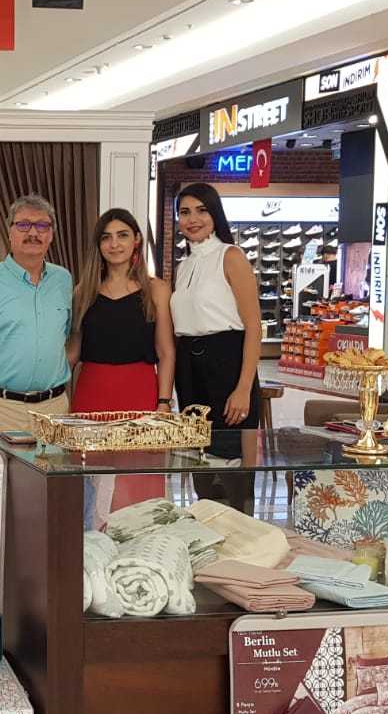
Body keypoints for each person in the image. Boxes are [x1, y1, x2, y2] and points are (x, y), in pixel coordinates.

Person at [170, 183, 263, 511]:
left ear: (215, 214)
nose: (192, 219)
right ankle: (206, 536)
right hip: (190, 372)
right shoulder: (183, 266)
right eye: (184, 212)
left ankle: (240, 539)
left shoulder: (231, 256)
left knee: (232, 474)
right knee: (202, 472)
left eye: (201, 210)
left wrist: (243, 387)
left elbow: (254, 326)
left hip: (227, 365)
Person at [0, 195, 73, 436]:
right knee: (2, 464)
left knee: (57, 463)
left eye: (42, 225)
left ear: (51, 234)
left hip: (55, 410)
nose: (33, 233)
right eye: (23, 225)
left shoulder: (63, 280)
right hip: (1, 410)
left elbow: (67, 337)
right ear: (10, 231)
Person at [69, 208, 174, 413]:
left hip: (141, 393)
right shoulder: (83, 292)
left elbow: (165, 352)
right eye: (106, 237)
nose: (114, 244)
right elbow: (73, 352)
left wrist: (164, 402)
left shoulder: (157, 290)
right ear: (98, 245)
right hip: (90, 393)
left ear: (137, 239)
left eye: (122, 235)